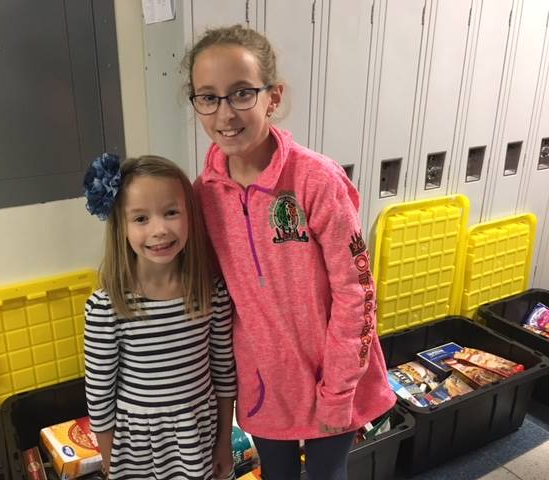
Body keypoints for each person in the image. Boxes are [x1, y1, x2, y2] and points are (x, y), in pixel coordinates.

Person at [185, 25, 396, 479]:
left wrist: (338, 389)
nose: (225, 113)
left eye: (242, 93)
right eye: (208, 97)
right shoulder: (204, 194)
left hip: (333, 377)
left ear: (272, 97)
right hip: (265, 385)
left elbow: (356, 292)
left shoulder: (316, 180)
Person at [82, 154, 237, 480]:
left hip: (198, 437)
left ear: (190, 216)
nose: (160, 229)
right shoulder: (107, 307)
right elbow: (99, 396)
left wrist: (224, 443)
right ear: (121, 227)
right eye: (141, 219)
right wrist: (109, 458)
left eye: (171, 213)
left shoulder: (212, 292)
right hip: (137, 448)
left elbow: (223, 372)